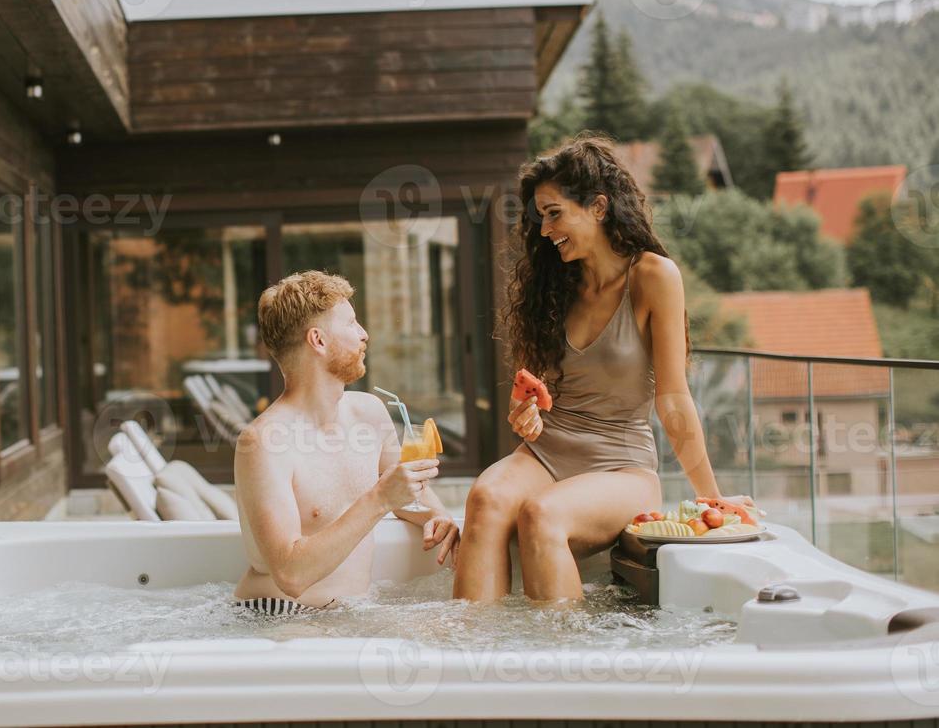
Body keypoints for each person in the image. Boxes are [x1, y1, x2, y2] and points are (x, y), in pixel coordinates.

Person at [453, 134, 752, 602]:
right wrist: (524, 413)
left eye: (554, 213)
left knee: (542, 515)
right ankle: (470, 659)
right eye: (541, 217)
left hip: (621, 466)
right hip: (547, 454)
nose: (546, 230)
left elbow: (672, 398)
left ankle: (566, 665)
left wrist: (710, 496)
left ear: (597, 206)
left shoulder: (653, 277)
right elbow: (531, 394)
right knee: (485, 499)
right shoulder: (552, 288)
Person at [233, 270, 459, 614]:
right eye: (352, 323)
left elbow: (406, 491)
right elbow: (290, 575)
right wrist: (381, 498)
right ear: (318, 341)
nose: (364, 334)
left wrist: (438, 516)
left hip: (349, 614)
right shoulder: (263, 443)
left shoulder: (369, 412)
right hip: (277, 617)